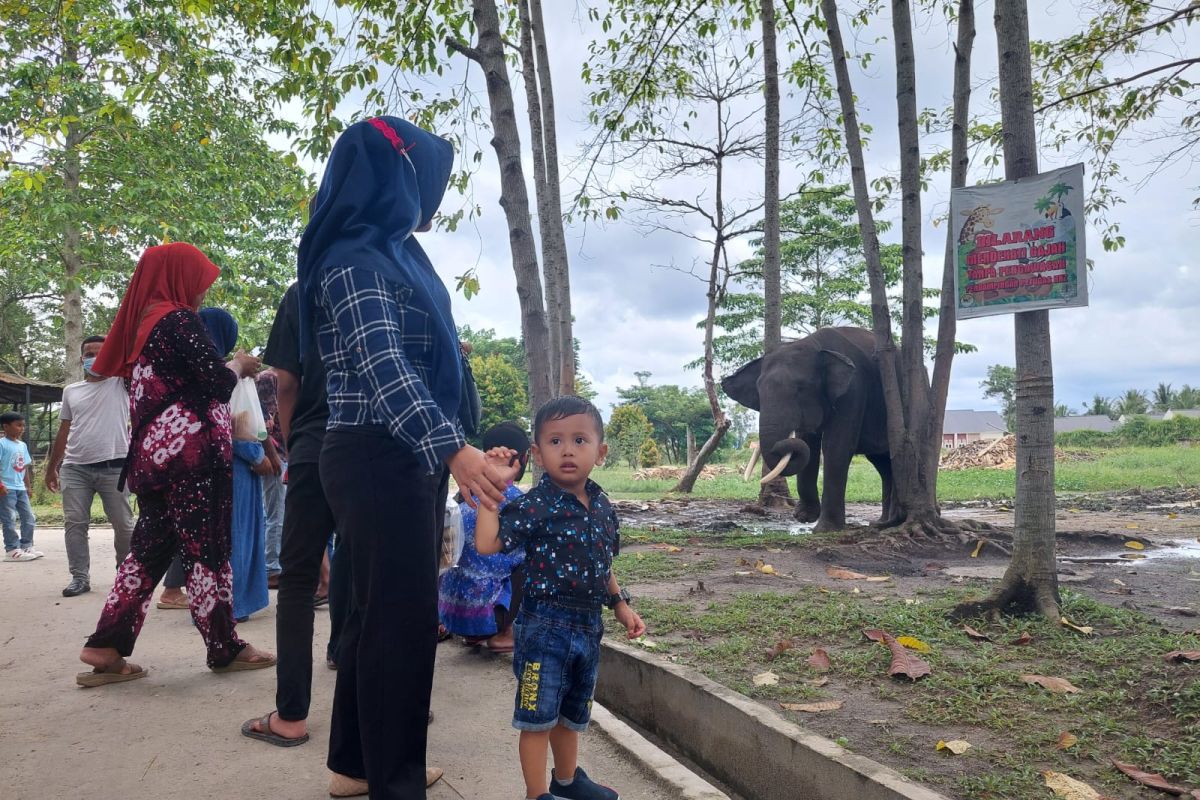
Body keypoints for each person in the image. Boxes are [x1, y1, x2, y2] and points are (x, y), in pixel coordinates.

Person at [295, 117, 509, 798]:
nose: (428, 203)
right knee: (401, 625)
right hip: (377, 455)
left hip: (390, 456)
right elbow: (383, 365)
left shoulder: (391, 253)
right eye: (423, 183)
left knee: (372, 615)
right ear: (392, 178)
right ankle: (396, 781)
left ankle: (358, 767)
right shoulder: (354, 259)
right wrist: (453, 447)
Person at [76, 242, 275, 687]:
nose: (202, 294)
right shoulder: (177, 319)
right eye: (200, 283)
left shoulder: (143, 328)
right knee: (208, 550)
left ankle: (105, 646)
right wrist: (240, 364)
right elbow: (216, 381)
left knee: (146, 554)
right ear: (178, 279)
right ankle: (224, 647)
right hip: (193, 458)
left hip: (154, 460)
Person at [476, 396, 647, 800]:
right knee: (537, 716)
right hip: (542, 628)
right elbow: (487, 543)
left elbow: (602, 563)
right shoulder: (534, 505)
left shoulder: (603, 506)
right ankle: (537, 794)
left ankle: (567, 781)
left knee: (572, 713)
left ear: (600, 452)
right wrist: (494, 491)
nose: (567, 450)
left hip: (589, 627)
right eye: (554, 441)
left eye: (579, 440)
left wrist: (620, 603)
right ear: (537, 453)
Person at [241, 281, 349, 749]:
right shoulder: (391, 273)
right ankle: (378, 702)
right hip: (379, 446)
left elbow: (285, 382)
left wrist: (296, 445)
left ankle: (291, 717)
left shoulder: (303, 291)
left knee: (299, 579)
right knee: (367, 573)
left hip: (315, 443)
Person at [158, 306, 243, 610]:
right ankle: (193, 597)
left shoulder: (175, 361)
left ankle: (180, 592)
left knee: (178, 528)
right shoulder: (211, 369)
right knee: (196, 529)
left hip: (173, 459)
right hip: (200, 461)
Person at [45, 335, 136, 595]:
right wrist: (52, 467)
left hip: (115, 466)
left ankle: (125, 573)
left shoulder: (121, 383)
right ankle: (79, 578)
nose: (93, 358)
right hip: (75, 468)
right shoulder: (71, 391)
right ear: (81, 358)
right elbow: (64, 430)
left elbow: (134, 355)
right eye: (88, 353)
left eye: (100, 352)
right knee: (75, 524)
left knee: (124, 524)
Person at [439, 421, 530, 653]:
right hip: (488, 617)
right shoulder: (519, 502)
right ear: (525, 458)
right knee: (538, 554)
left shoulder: (462, 496)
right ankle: (504, 633)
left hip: (451, 613)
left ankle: (471, 633)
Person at [256, 368, 286, 588]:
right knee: (276, 512)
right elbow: (262, 423)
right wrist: (271, 454)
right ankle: (272, 567)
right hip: (275, 454)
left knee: (278, 511)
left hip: (285, 453)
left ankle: (275, 564)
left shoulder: (284, 377)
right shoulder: (267, 379)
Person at [1, 411, 41, 562]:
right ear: (6, 426)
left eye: (23, 425)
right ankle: (11, 550)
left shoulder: (22, 445)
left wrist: (28, 487)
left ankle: (26, 545)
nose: (22, 428)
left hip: (20, 488)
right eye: (18, 425)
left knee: (29, 517)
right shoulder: (1, 444)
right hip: (6, 488)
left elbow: (24, 468)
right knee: (9, 518)